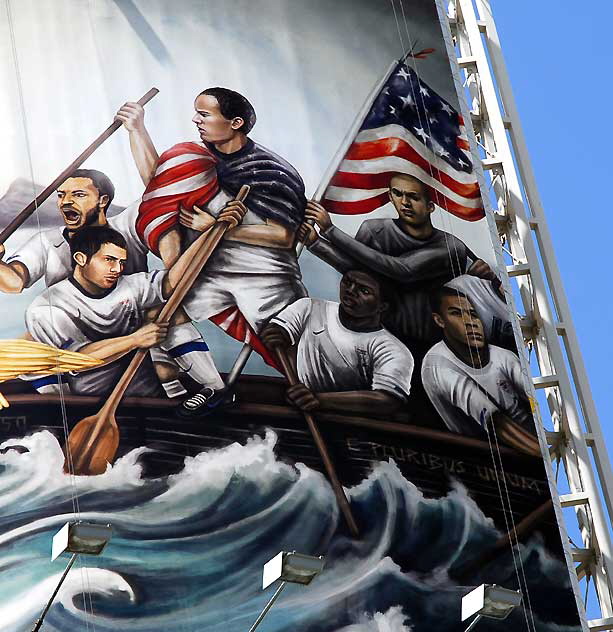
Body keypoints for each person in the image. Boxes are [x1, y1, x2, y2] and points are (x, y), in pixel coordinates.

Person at [117, 87, 308, 414]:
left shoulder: (271, 170)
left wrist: (218, 227)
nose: (196, 120)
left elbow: (283, 237)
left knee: (293, 357)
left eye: (204, 114)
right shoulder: (196, 157)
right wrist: (137, 130)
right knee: (160, 318)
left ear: (235, 122)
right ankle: (213, 389)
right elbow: (159, 187)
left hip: (264, 276)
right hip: (213, 270)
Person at [0, 169, 222, 398]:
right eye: (61, 195)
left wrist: (211, 229)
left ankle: (200, 391)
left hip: (135, 328)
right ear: (80, 259)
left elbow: (162, 196)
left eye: (78, 194)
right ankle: (62, 405)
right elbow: (14, 283)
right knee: (28, 346)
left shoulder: (126, 227)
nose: (66, 202)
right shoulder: (47, 246)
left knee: (165, 314)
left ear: (103, 200)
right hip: (76, 342)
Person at [25, 218, 242, 397]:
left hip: (140, 385)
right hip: (88, 394)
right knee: (31, 356)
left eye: (121, 262)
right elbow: (80, 359)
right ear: (81, 258)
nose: (117, 269)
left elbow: (173, 281)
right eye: (109, 260)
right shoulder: (47, 307)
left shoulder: (129, 285)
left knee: (169, 320)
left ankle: (216, 391)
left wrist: (214, 230)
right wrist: (135, 339)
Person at [300, 173, 496, 352]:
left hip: (432, 345)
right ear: (390, 196)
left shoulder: (450, 246)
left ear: (430, 206)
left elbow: (403, 269)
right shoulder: (374, 231)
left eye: (414, 197)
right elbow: (358, 273)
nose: (405, 203)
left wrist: (330, 231)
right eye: (398, 194)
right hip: (381, 338)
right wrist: (315, 243)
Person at [261, 269, 413, 416]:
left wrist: (319, 400)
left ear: (382, 306)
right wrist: (275, 334)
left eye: (364, 291)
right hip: (300, 411)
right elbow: (275, 333)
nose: (351, 290)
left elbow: (388, 400)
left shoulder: (393, 350)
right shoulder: (309, 308)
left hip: (354, 426)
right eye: (347, 282)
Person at [421, 287, 539, 455]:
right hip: (485, 452)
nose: (470, 322)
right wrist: (546, 453)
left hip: (526, 435)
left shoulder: (503, 356)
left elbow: (534, 398)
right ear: (440, 320)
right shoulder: (437, 364)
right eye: (457, 314)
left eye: (473, 314)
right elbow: (494, 421)